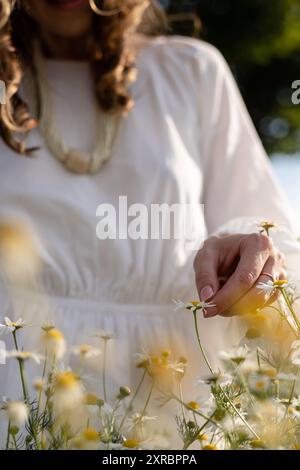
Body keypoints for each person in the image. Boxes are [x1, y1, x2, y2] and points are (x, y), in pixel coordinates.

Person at [0, 0, 299, 447]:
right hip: (20, 387)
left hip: (175, 396)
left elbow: (275, 240)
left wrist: (248, 256)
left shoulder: (191, 71)